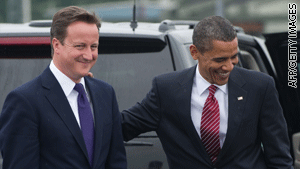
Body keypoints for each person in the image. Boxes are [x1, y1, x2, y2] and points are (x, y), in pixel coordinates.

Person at [121, 16, 293, 168]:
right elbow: (121, 126)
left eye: (233, 56)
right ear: (195, 52)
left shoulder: (259, 87)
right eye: (220, 59)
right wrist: (93, 91)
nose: (228, 66)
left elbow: (279, 157)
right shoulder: (166, 90)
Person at [0, 6, 126, 169]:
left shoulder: (105, 93)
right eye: (80, 46)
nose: (89, 55)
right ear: (56, 45)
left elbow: (116, 161)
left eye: (93, 47)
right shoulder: (25, 101)